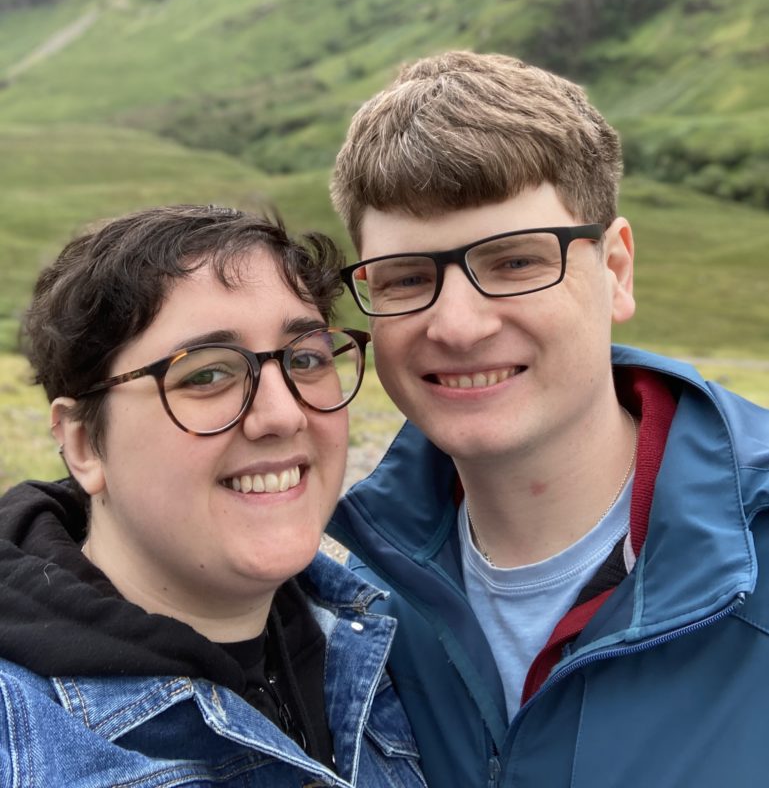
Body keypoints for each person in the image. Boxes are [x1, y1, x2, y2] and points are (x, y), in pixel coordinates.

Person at [327, 50, 769, 788]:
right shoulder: (359, 594)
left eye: (514, 263)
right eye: (407, 277)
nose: (458, 326)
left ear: (616, 270)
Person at [0, 204, 426, 788]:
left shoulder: (393, 641)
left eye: (305, 359)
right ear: (83, 445)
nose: (282, 414)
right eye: (205, 374)